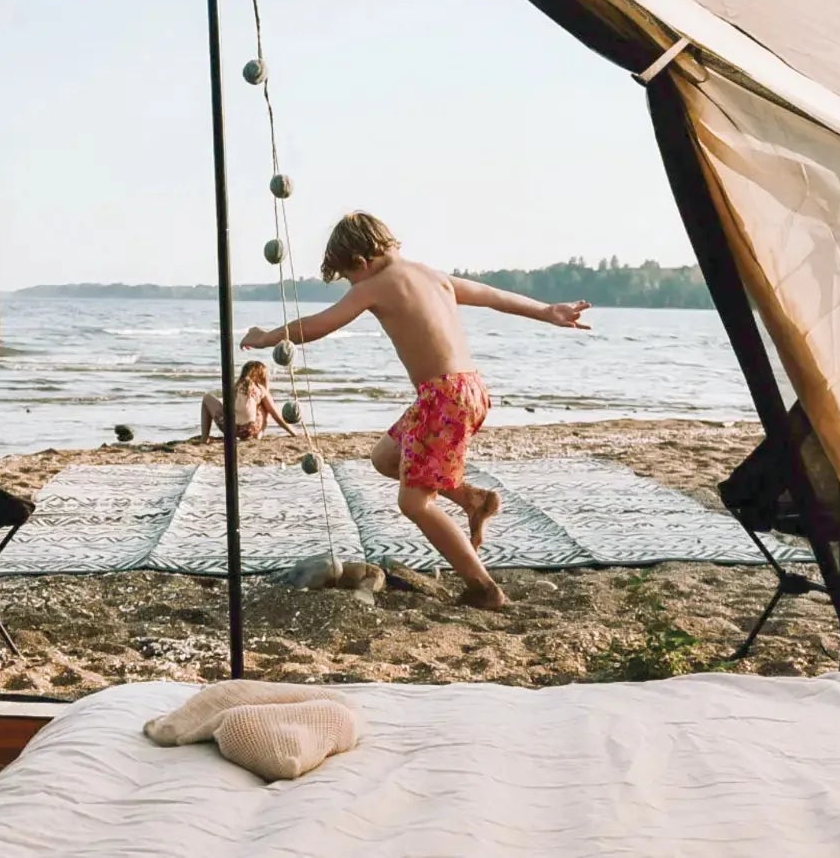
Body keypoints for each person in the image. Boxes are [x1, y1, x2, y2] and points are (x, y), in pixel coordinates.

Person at [241, 212, 589, 610]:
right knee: (386, 457)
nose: (351, 285)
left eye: (347, 276)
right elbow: (493, 296)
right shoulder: (432, 275)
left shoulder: (374, 285)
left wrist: (266, 336)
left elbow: (318, 325)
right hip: (468, 390)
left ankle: (484, 588)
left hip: (443, 398)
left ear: (360, 261)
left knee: (414, 503)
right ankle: (473, 500)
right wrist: (547, 311)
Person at [200, 360, 294, 441]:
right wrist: (292, 432)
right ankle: (258, 436)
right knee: (264, 405)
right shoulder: (259, 389)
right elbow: (276, 416)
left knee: (207, 398)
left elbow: (227, 407)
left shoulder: (235, 387)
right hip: (249, 429)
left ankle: (204, 438)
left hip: (229, 428)